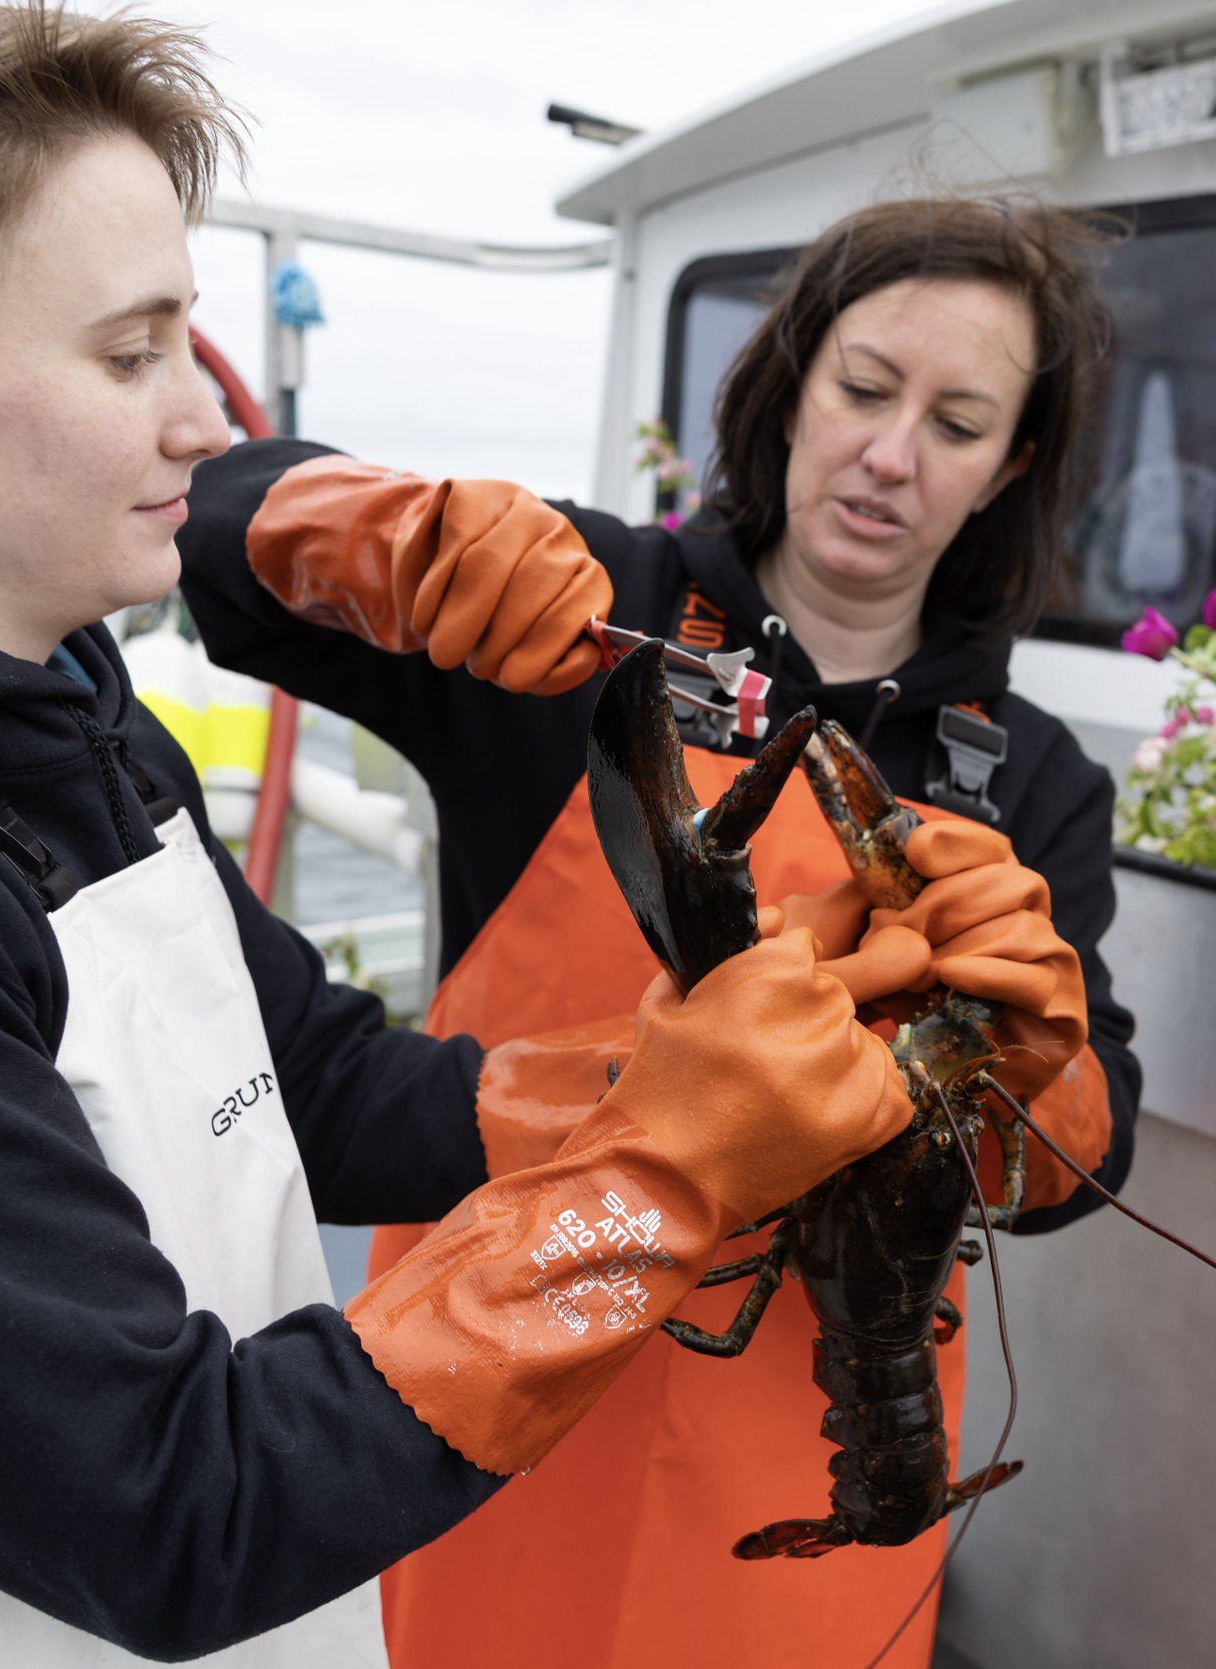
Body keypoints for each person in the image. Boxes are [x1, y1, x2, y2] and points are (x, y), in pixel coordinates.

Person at [0, 4, 920, 1666]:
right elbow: (173, 1510)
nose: (201, 423)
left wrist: (684, 1074)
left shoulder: (57, 710)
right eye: (128, 353)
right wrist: (666, 1169)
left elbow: (312, 1084)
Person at [176, 195, 1140, 1669]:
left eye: (957, 424)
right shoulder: (592, 601)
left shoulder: (1039, 780)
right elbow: (208, 544)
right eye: (864, 389)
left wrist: (1038, 1063)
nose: (890, 455)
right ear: (793, 386)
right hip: (478, 1399)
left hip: (807, 1456)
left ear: (1008, 466)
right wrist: (374, 528)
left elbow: (1085, 1161)